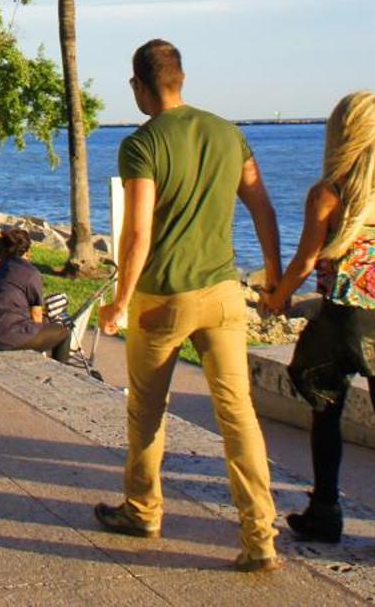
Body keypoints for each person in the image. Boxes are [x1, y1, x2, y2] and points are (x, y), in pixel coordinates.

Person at [95, 39, 284, 574]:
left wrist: (119, 302)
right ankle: (261, 538)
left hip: (164, 299)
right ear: (181, 78)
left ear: (138, 86)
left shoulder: (141, 144)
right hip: (224, 297)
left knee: (147, 414)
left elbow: (138, 232)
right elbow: (261, 206)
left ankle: (143, 510)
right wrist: (274, 278)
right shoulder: (228, 133)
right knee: (238, 415)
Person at [264, 91, 375, 562]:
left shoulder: (327, 193)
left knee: (326, 415)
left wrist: (278, 296)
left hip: (340, 320)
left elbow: (306, 260)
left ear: (340, 135)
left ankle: (326, 512)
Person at [0, 229, 71, 362]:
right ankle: (62, 374)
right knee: (63, 333)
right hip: (5, 339)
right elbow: (36, 316)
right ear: (28, 251)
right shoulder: (30, 273)